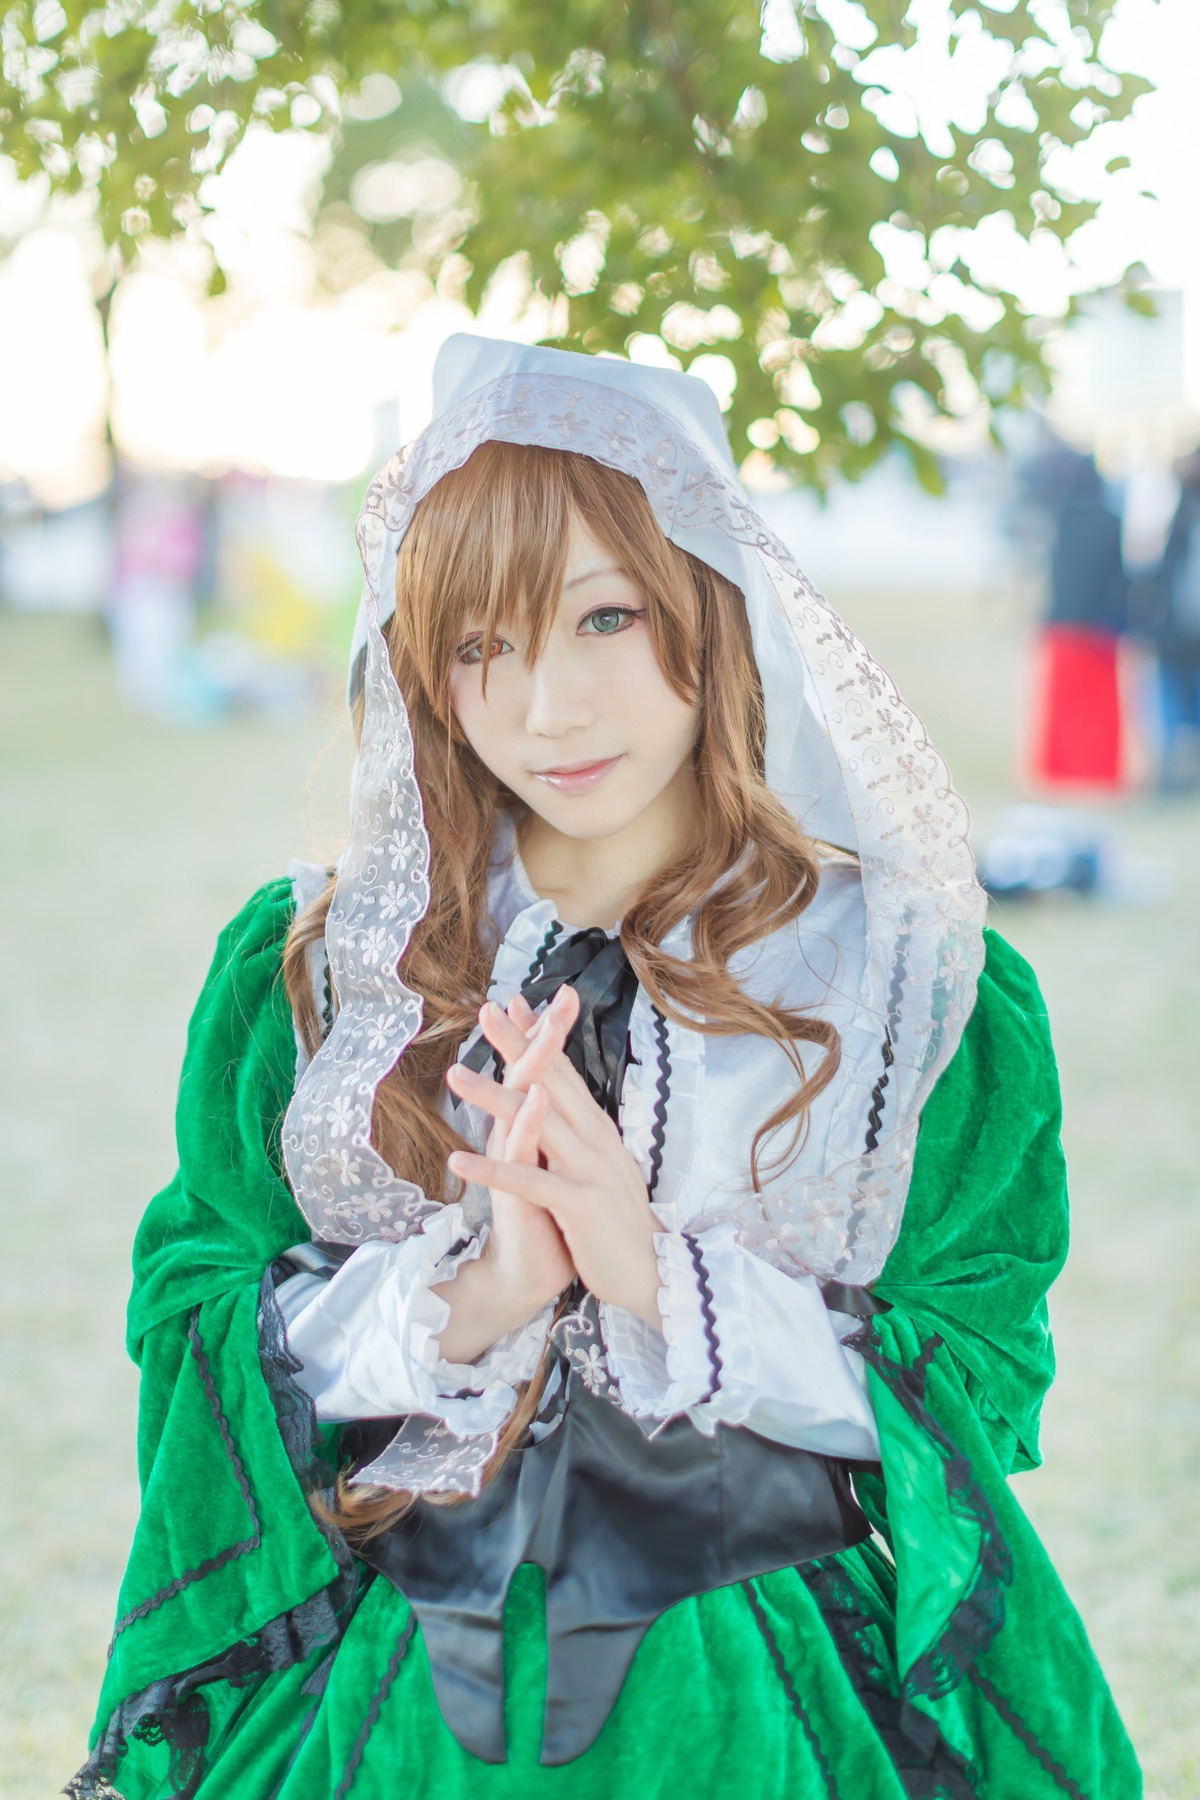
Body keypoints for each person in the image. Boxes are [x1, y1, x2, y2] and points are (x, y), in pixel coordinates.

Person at [70, 337, 1141, 1799]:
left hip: (762, 1672)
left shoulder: (904, 984)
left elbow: (975, 1381)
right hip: (379, 1682)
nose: (547, 711)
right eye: (479, 646)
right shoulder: (319, 971)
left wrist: (657, 1280)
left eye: (605, 618)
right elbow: (191, 1321)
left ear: (715, 601)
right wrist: (472, 1296)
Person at [1026, 447, 1130, 792]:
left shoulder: (1063, 518)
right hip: (1101, 628)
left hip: (1066, 625)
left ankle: (1061, 771)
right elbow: (1117, 577)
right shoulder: (1111, 520)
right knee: (1100, 709)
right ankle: (1099, 771)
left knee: (1064, 708)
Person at [1149, 449, 1200, 790]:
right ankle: (1173, 771)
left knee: (1176, 697)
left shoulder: (1185, 507)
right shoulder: (1182, 504)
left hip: (1182, 628)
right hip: (1178, 629)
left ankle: (1175, 773)